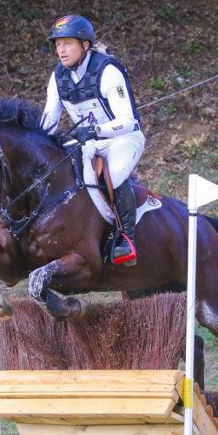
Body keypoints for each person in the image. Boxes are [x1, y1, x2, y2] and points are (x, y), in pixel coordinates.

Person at [40, 14, 144, 266]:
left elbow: (128, 120)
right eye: (57, 44)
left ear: (84, 45)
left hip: (122, 138)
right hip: (87, 142)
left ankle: (126, 240)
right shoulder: (59, 77)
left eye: (67, 43)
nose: (61, 50)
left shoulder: (107, 71)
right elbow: (49, 119)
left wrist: (95, 131)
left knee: (116, 172)